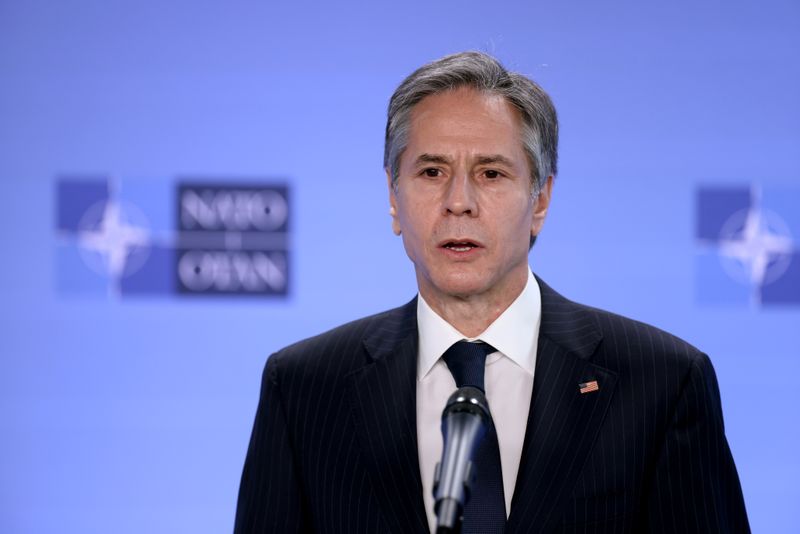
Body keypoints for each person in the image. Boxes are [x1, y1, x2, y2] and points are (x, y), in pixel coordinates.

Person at [234, 51, 750, 533]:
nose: (459, 202)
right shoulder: (304, 389)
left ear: (540, 199)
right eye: (432, 172)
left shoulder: (661, 383)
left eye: (491, 173)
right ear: (393, 197)